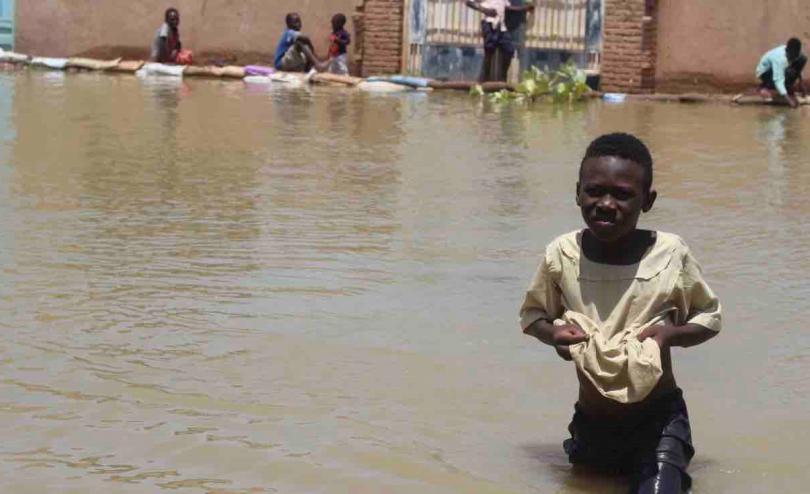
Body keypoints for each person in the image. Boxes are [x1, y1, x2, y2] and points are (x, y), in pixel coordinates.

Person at [520, 133, 721, 494]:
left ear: (648, 200)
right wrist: (554, 336)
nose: (606, 204)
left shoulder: (670, 253)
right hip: (593, 422)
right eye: (595, 191)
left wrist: (670, 335)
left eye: (623, 194)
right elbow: (533, 317)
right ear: (577, 192)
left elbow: (709, 318)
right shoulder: (561, 254)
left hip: (658, 421)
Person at [465, 0, 534, 82]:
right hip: (489, 23)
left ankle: (502, 78)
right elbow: (469, 2)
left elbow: (507, 8)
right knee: (489, 51)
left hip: (501, 26)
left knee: (509, 50)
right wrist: (485, 10)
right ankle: (483, 79)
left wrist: (524, 9)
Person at [733, 38, 807, 108]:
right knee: (789, 73)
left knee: (802, 59)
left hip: (778, 70)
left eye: (795, 56)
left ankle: (784, 89)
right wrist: (789, 100)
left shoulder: (796, 55)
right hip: (764, 72)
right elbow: (778, 80)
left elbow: (797, 68)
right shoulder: (779, 59)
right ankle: (764, 88)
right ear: (787, 51)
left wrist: (801, 83)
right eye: (792, 57)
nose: (793, 59)